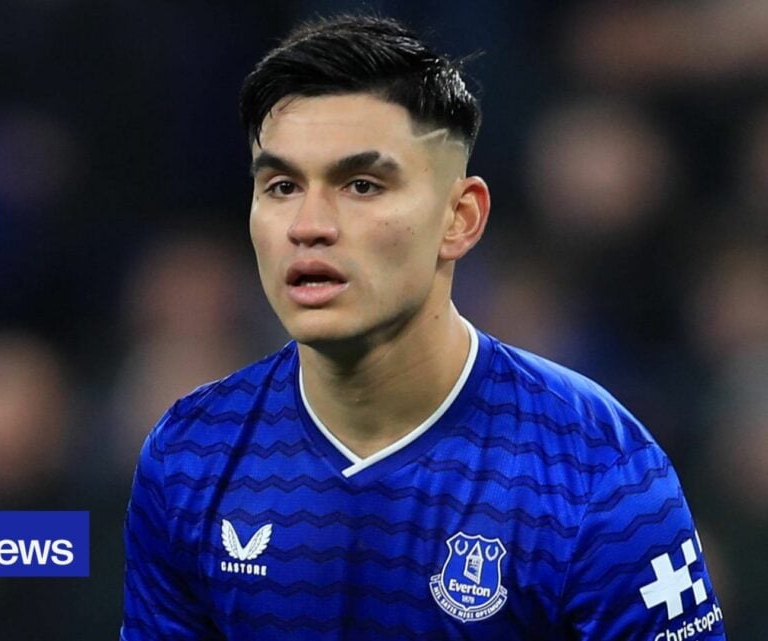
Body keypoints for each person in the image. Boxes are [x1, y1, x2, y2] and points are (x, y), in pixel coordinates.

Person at [121, 15, 726, 640]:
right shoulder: (191, 454)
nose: (308, 225)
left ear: (459, 218)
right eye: (281, 186)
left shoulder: (595, 468)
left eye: (361, 185)